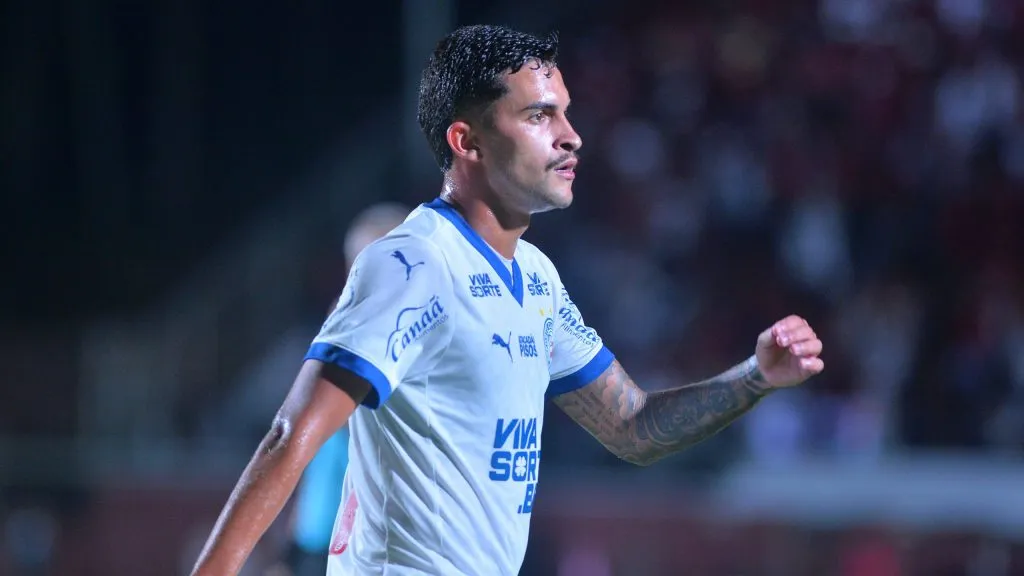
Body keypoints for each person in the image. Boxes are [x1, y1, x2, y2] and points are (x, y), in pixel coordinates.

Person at [190, 24, 825, 576]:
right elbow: (290, 432)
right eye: (539, 116)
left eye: (566, 113)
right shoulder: (416, 263)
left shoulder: (537, 277)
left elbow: (632, 428)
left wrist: (756, 376)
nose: (571, 136)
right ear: (467, 141)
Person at [277, 203, 412, 576]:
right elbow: (310, 439)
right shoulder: (342, 324)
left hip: (370, 543)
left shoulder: (412, 337)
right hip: (316, 537)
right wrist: (291, 546)